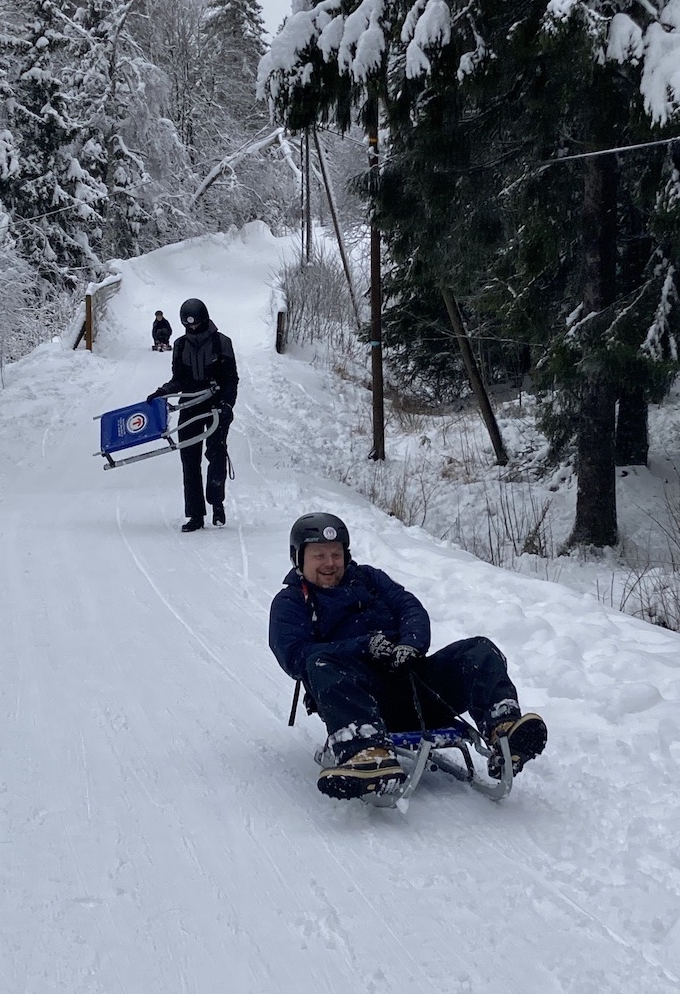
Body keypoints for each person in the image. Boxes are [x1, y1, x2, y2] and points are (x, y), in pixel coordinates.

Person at [268, 512, 547, 800]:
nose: (329, 564)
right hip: (361, 703)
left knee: (478, 650)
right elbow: (295, 654)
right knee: (320, 662)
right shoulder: (290, 602)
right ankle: (366, 752)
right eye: (319, 555)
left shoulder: (369, 578)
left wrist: (411, 644)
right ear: (299, 558)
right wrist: (364, 646)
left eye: (336, 555)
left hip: (418, 688)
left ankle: (504, 733)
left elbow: (409, 608)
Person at [146, 298, 238, 533]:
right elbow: (179, 378)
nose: (193, 328)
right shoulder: (180, 345)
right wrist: (163, 392)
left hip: (216, 404)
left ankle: (217, 503)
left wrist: (228, 404)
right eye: (189, 325)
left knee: (216, 454)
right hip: (190, 402)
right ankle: (195, 514)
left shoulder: (222, 343)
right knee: (189, 458)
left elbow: (231, 378)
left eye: (197, 324)